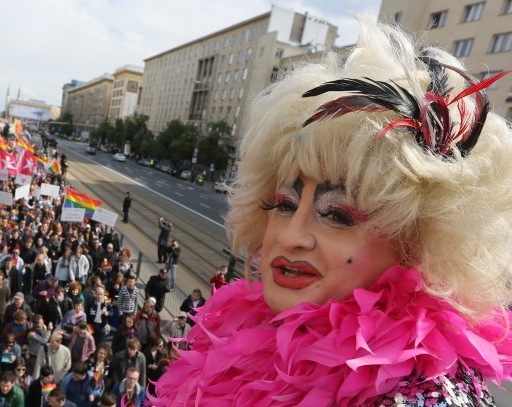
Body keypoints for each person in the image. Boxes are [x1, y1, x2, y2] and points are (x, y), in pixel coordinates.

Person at [150, 20, 512, 406]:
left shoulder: (424, 395)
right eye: (285, 204)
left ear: (416, 243)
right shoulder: (245, 334)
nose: (290, 236)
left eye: (337, 214)